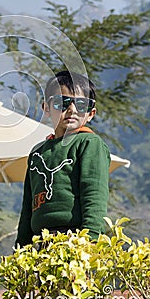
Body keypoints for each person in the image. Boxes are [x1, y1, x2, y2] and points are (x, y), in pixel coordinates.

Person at [16, 70, 110, 246]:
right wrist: (21, 249)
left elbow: (95, 197)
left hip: (75, 241)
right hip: (41, 244)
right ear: (46, 108)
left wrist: (89, 242)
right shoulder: (37, 153)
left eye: (82, 105)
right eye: (62, 102)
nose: (72, 110)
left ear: (91, 113)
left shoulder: (89, 143)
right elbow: (27, 208)